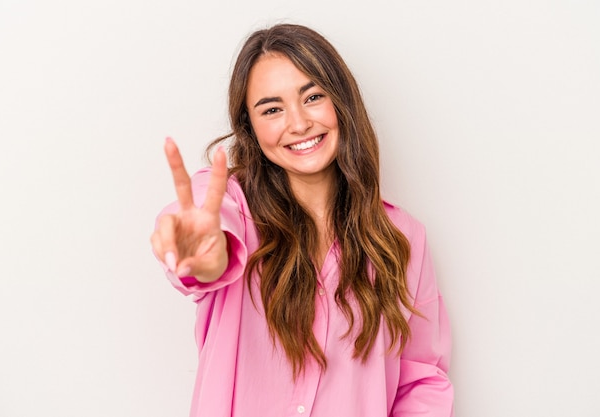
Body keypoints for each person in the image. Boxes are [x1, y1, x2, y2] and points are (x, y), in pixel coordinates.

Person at [150, 23, 453, 417]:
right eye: (272, 109)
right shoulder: (232, 204)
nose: (298, 123)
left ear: (340, 102)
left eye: (312, 97)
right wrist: (203, 253)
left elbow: (422, 378)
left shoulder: (402, 237)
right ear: (250, 128)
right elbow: (204, 229)